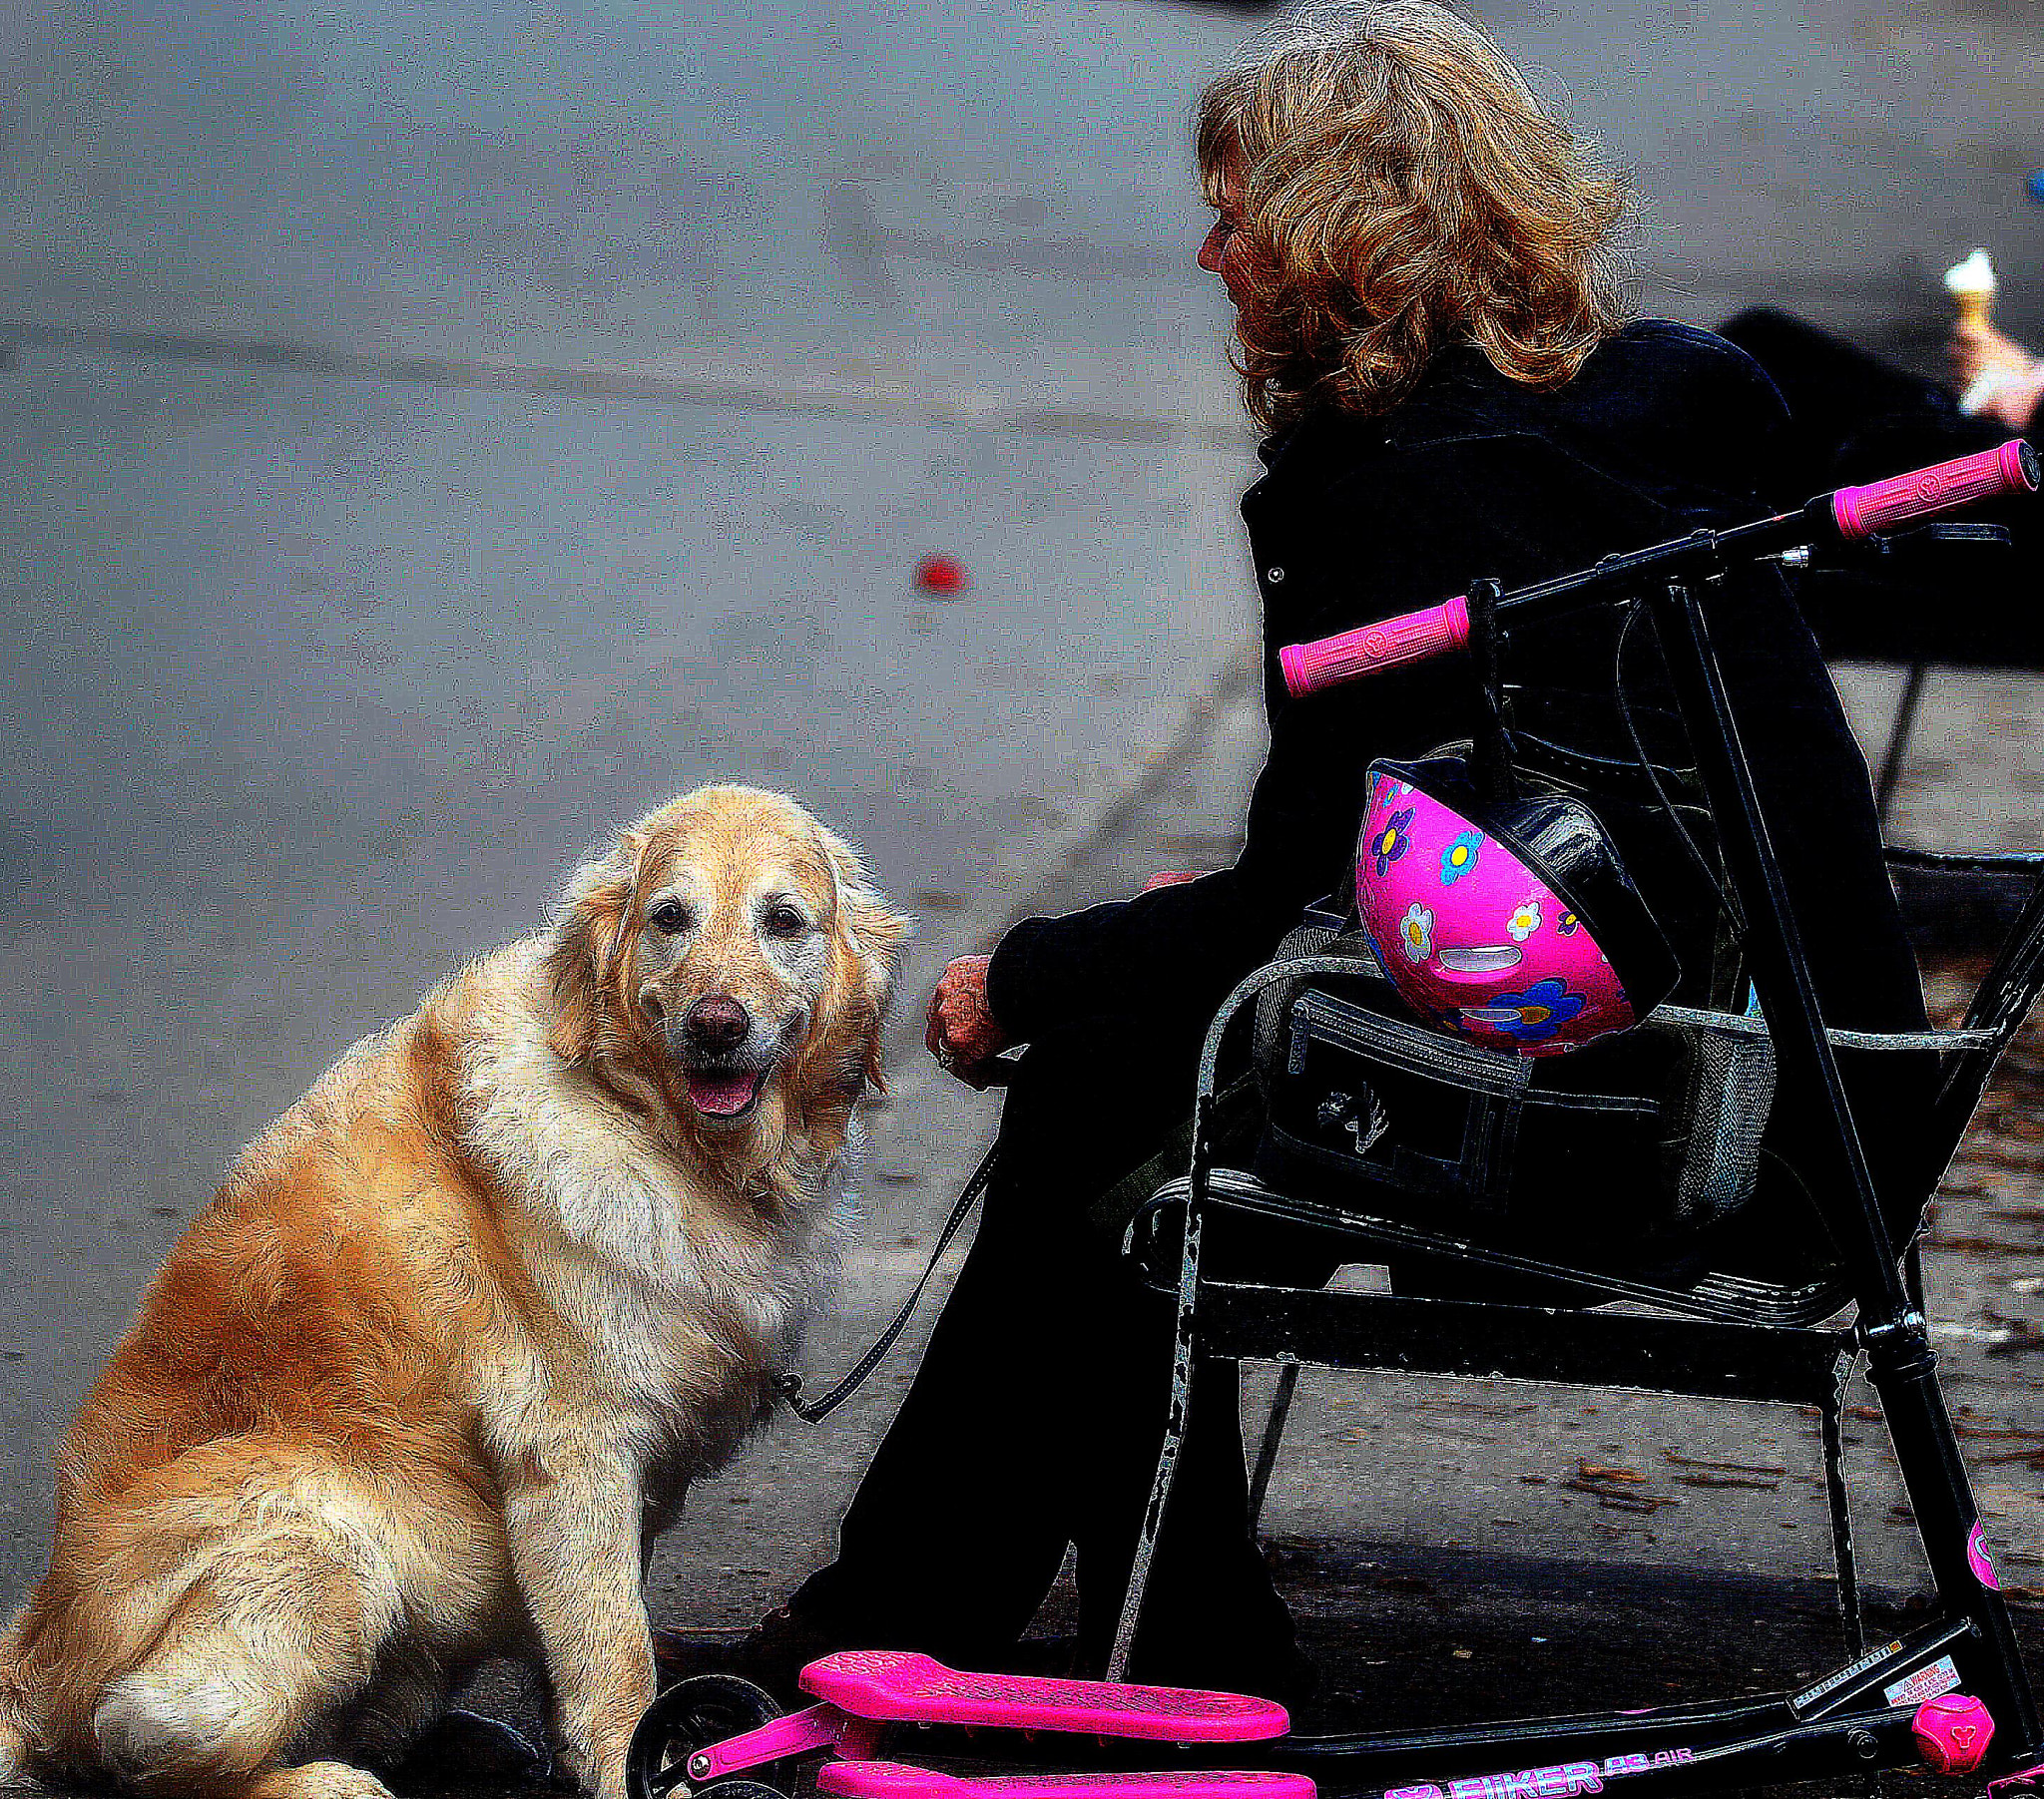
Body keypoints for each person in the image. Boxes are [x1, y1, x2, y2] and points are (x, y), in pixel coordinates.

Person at [694, 0, 1929, 1706]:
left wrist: (1024, 972)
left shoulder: (1409, 496)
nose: (1211, 258)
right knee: (1135, 1086)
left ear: (1344, 237)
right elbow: (1380, 871)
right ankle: (1151, 1628)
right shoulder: (1641, 402)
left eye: (1240, 218)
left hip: (1690, 1123)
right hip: (1832, 1087)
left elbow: (1293, 898)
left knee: (1114, 1074)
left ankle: (947, 1617)